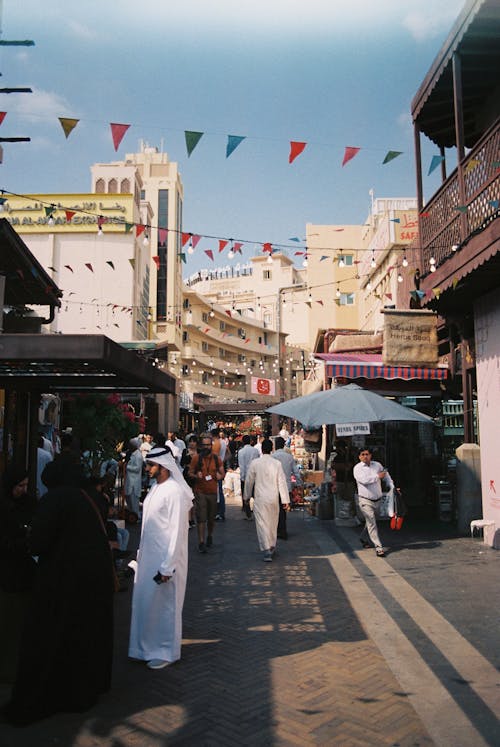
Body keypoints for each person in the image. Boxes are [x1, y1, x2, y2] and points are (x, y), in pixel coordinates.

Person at [2, 457, 114, 725]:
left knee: (53, 637)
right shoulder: (87, 498)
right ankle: (83, 689)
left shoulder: (55, 500)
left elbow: (39, 543)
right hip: (92, 583)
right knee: (83, 636)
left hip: (63, 583)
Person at [128, 447, 193, 670]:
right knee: (147, 605)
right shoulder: (157, 487)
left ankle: (165, 651)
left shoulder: (174, 492)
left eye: (151, 465)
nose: (147, 469)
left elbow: (176, 531)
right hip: (149, 559)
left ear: (163, 467)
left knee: (165, 607)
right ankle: (145, 648)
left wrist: (168, 567)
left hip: (166, 562)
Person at [0, 467, 37, 683]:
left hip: (24, 573)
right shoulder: (4, 508)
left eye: (25, 485)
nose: (23, 490)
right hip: (8, 573)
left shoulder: (29, 503)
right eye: (19, 486)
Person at [244, 438, 290, 562]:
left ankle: (266, 549)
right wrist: (285, 500)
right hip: (273, 498)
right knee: (272, 523)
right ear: (272, 449)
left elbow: (249, 482)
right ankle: (272, 546)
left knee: (262, 524)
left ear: (262, 449)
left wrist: (246, 497)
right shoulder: (277, 464)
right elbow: (282, 482)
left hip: (260, 498)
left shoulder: (255, 463)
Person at [353, 447, 393, 557]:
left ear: (371, 455)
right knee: (371, 521)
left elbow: (386, 476)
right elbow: (364, 481)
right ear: (359, 456)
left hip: (377, 499)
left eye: (367, 454)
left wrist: (392, 487)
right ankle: (379, 547)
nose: (365, 456)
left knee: (371, 522)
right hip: (365, 500)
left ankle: (363, 537)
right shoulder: (357, 468)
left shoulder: (377, 465)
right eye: (363, 454)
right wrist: (377, 477)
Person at [188, 433, 225, 553]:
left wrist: (219, 475)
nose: (206, 447)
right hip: (200, 492)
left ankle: (209, 535)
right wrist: (195, 476)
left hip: (212, 492)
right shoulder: (196, 458)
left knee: (211, 518)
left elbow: (222, 472)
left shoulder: (216, 458)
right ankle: (201, 542)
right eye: (204, 445)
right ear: (201, 446)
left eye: (208, 445)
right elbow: (190, 473)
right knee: (201, 518)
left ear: (211, 446)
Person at [272, 436, 302, 540]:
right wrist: (299, 484)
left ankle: (278, 530)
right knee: (283, 510)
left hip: (275, 487)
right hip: (286, 487)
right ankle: (282, 530)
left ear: (275, 445)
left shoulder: (273, 456)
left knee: (276, 510)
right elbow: (296, 471)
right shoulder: (289, 457)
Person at [237, 434, 260, 518]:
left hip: (246, 476)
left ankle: (248, 513)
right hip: (255, 475)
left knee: (246, 495)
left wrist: (242, 477)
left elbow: (241, 465)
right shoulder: (255, 451)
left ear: (243, 442)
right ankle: (257, 508)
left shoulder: (241, 452)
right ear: (250, 441)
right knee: (255, 493)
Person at [125, 437, 144, 519]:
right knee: (129, 500)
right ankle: (131, 516)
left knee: (134, 502)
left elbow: (137, 468)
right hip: (129, 480)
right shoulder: (132, 454)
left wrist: (127, 467)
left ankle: (136, 517)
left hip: (134, 482)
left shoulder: (138, 455)